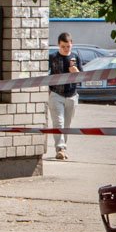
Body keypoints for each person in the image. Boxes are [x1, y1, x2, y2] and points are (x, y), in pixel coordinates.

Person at [48, 32, 82, 160]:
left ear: (71, 44)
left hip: (72, 95)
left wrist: (76, 72)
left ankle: (63, 147)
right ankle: (60, 149)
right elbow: (46, 76)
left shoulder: (75, 58)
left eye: (68, 46)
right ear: (58, 45)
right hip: (56, 94)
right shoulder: (52, 57)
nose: (66, 49)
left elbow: (82, 78)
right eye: (63, 46)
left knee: (66, 125)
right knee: (58, 123)